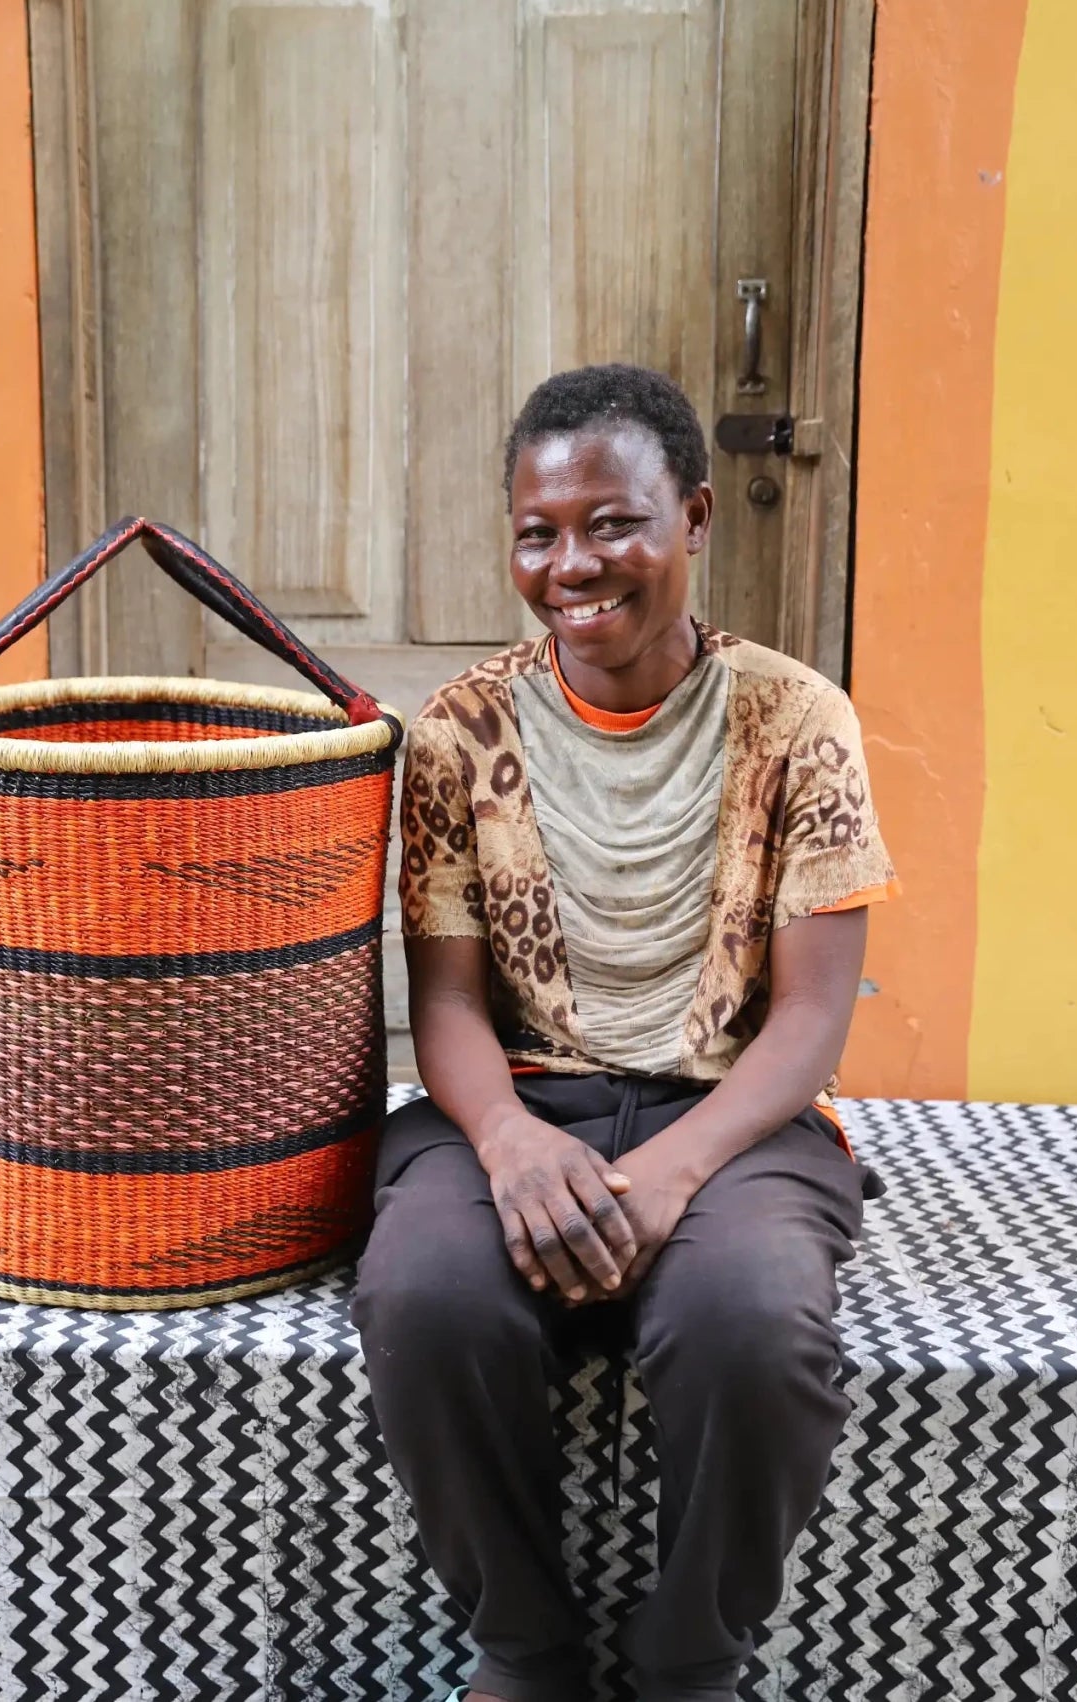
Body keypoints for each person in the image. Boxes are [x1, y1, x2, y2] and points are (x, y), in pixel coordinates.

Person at [352, 363, 897, 1702]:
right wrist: (504, 1142)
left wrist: (668, 1171)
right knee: (422, 1297)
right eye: (538, 531)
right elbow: (448, 1003)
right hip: (518, 1093)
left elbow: (811, 1019)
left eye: (612, 522)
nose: (571, 563)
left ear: (695, 517)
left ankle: (688, 1661)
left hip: (734, 1112)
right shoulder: (456, 732)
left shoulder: (796, 722)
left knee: (752, 1324)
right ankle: (526, 1652)